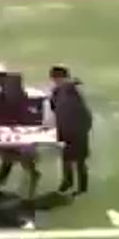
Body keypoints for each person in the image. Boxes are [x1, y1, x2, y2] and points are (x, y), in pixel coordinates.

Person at [48, 65, 93, 195]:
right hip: (65, 129)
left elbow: (83, 112)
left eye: (56, 78)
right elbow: (54, 108)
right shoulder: (57, 91)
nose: (54, 81)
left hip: (78, 130)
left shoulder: (72, 91)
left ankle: (82, 187)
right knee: (66, 158)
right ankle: (67, 182)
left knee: (79, 161)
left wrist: (83, 128)